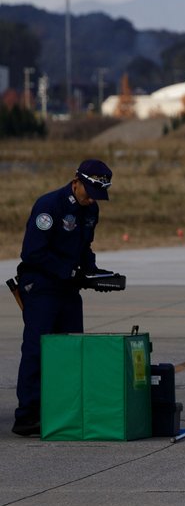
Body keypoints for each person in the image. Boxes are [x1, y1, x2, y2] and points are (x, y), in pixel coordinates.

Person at [11, 159, 113, 437]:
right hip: (41, 285)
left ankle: (62, 411)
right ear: (76, 181)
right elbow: (33, 253)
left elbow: (84, 247)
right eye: (88, 192)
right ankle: (27, 415)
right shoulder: (49, 206)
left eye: (97, 196)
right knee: (37, 349)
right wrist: (68, 271)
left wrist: (93, 273)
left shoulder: (91, 210)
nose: (91, 199)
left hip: (67, 288)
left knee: (70, 350)